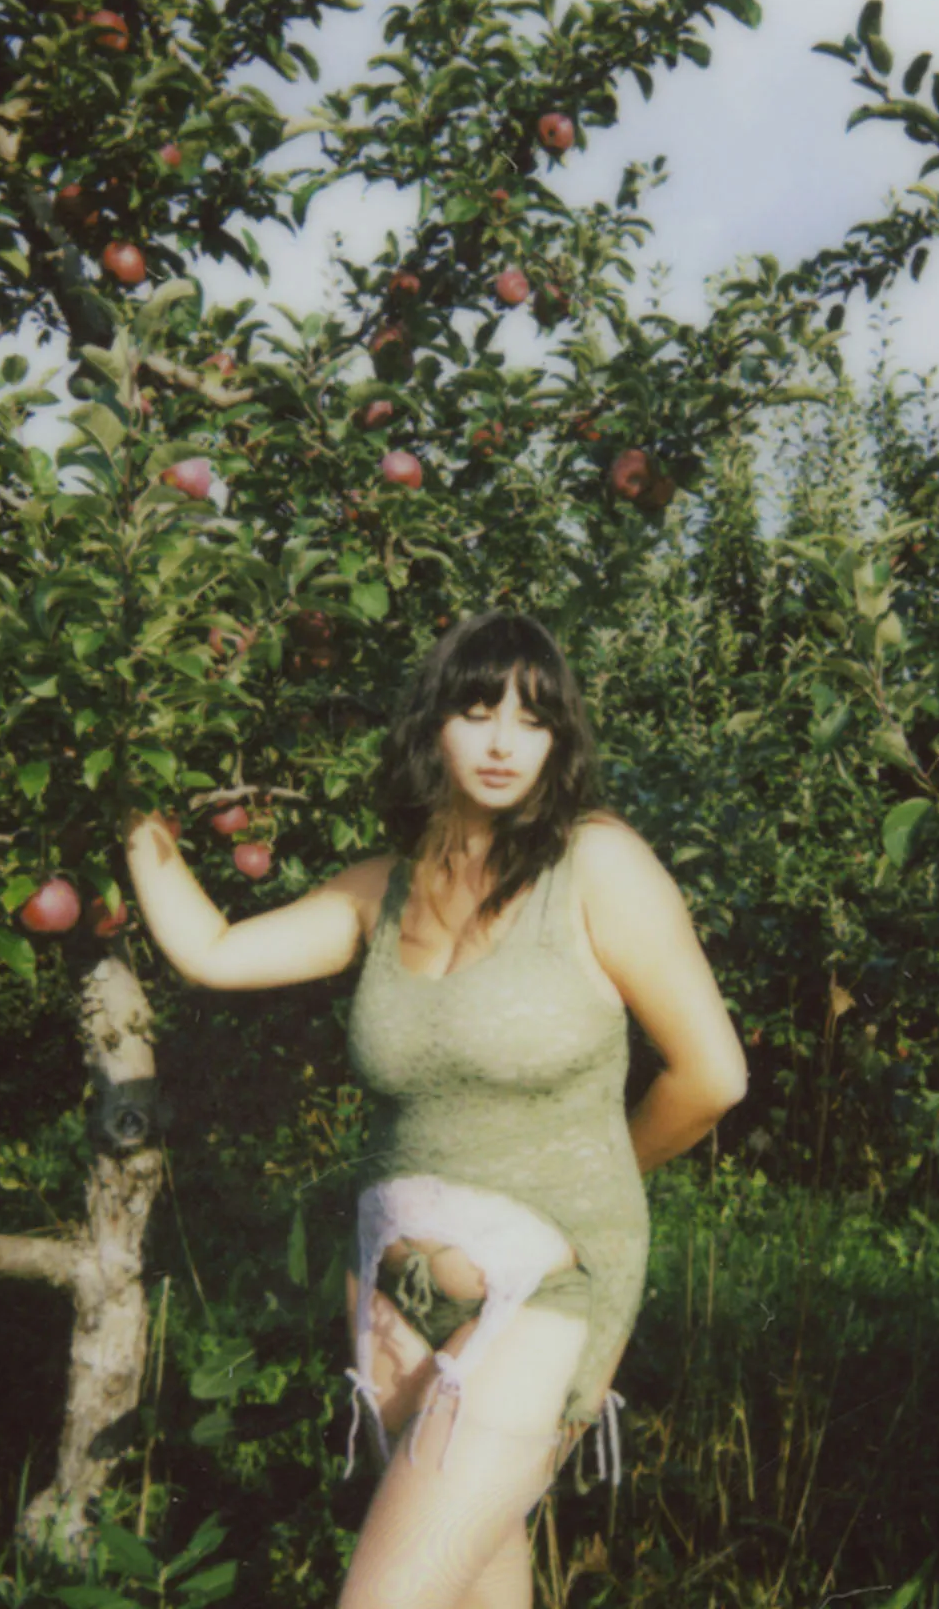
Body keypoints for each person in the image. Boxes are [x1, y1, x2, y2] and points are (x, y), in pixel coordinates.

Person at [125, 609, 747, 1609]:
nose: (504, 740)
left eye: (533, 718)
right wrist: (127, 796)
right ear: (433, 725)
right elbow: (213, 951)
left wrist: (588, 1187)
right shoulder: (385, 886)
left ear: (561, 739)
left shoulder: (595, 865)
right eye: (477, 707)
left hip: (542, 1290)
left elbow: (713, 1077)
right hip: (388, 1287)